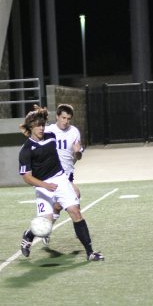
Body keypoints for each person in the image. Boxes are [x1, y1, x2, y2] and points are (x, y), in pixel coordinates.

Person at [18, 106, 104, 262]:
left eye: (43, 124)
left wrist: (78, 151)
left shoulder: (51, 136)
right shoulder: (26, 150)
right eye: (38, 125)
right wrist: (46, 186)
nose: (41, 128)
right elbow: (27, 177)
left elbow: (68, 139)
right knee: (45, 225)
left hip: (60, 179)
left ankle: (90, 252)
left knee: (75, 211)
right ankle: (29, 235)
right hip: (43, 185)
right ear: (31, 127)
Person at [45, 104, 83, 229]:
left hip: (68, 173)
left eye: (68, 119)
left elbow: (78, 157)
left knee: (58, 206)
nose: (66, 121)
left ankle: (46, 229)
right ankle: (81, 228)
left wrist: (78, 152)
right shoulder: (48, 131)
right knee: (75, 195)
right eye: (63, 118)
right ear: (57, 116)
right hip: (54, 174)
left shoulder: (74, 131)